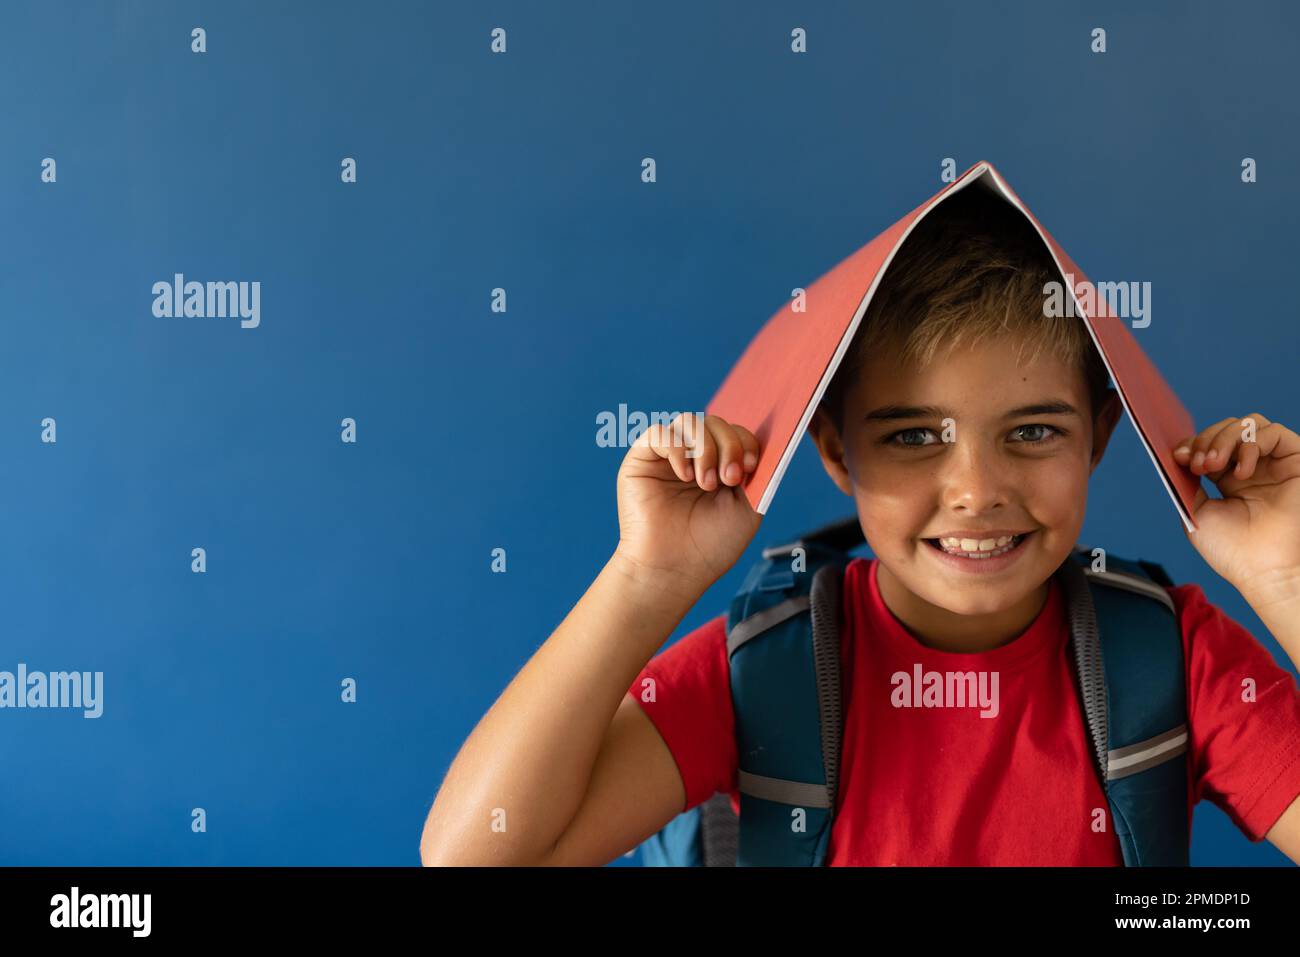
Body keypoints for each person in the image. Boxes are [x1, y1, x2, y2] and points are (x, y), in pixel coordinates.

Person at [419, 187, 1300, 866]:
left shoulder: (1175, 659)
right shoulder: (770, 667)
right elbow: (477, 851)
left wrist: (1286, 580)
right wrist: (647, 576)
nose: (976, 491)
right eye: (914, 437)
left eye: (1032, 432)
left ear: (1100, 436)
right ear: (838, 455)